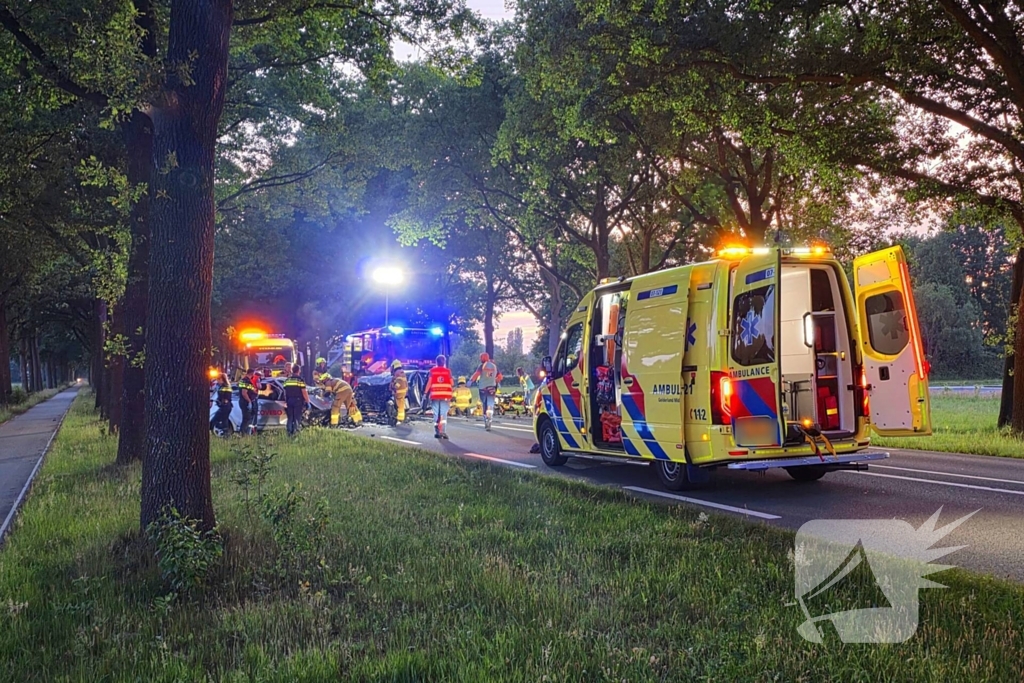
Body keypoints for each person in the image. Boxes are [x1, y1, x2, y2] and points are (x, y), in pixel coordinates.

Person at [470, 352, 503, 431]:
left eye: (481, 357)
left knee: (484, 404)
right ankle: (490, 417)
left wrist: (471, 381)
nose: (480, 359)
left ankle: (486, 419)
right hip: (492, 388)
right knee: (490, 403)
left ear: (484, 358)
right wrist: (495, 381)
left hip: (483, 388)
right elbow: (500, 377)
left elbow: (477, 374)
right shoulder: (494, 366)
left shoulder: (482, 366)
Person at [424, 354, 453, 439]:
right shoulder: (448, 371)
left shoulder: (432, 371)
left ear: (436, 362)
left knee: (436, 414)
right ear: (444, 362)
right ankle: (443, 432)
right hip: (445, 396)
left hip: (435, 395)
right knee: (443, 414)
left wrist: (425, 393)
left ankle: (437, 432)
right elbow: (452, 383)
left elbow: (429, 383)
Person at [283, 363, 309, 436]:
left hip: (289, 401)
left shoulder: (287, 380)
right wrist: (308, 402)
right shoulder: (300, 380)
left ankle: (289, 433)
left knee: (290, 417)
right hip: (298, 401)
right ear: (298, 370)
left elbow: (284, 391)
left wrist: (286, 401)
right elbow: (304, 392)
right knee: (297, 417)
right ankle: (295, 433)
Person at [237, 370, 258, 435]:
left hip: (243, 401)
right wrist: (249, 402)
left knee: (247, 418)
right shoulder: (246, 381)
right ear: (252, 374)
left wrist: (254, 391)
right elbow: (244, 393)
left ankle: (246, 433)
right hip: (245, 402)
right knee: (246, 419)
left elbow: (249, 389)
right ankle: (243, 433)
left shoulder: (243, 380)